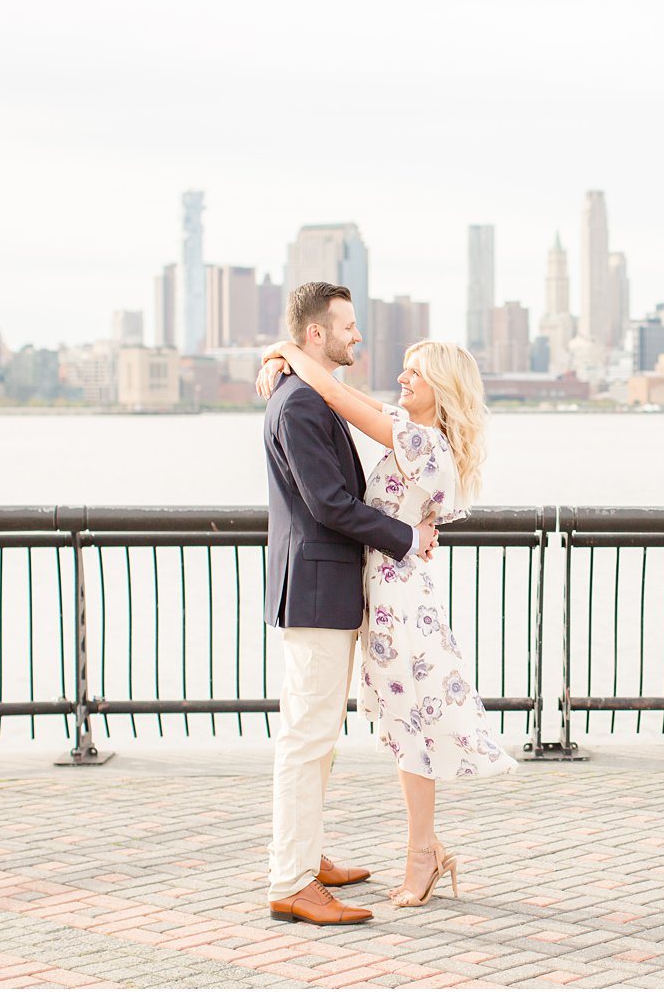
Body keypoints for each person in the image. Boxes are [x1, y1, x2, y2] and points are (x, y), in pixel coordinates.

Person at [258, 333, 518, 909]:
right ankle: (418, 849)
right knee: (403, 723)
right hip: (386, 590)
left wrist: (284, 348)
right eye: (404, 369)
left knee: (410, 724)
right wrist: (288, 357)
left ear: (442, 389)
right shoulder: (410, 424)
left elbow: (332, 391)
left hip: (399, 600)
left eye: (415, 374)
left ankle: (422, 854)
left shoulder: (422, 441)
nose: (402, 380)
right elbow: (344, 392)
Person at [262, 282, 440, 926]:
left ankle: (304, 856)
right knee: (307, 739)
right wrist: (407, 538)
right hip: (314, 591)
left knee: (316, 738)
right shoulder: (301, 407)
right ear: (317, 334)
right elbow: (329, 506)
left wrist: (278, 353)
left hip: (322, 588)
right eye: (348, 327)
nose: (357, 337)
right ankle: (292, 880)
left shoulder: (308, 394)